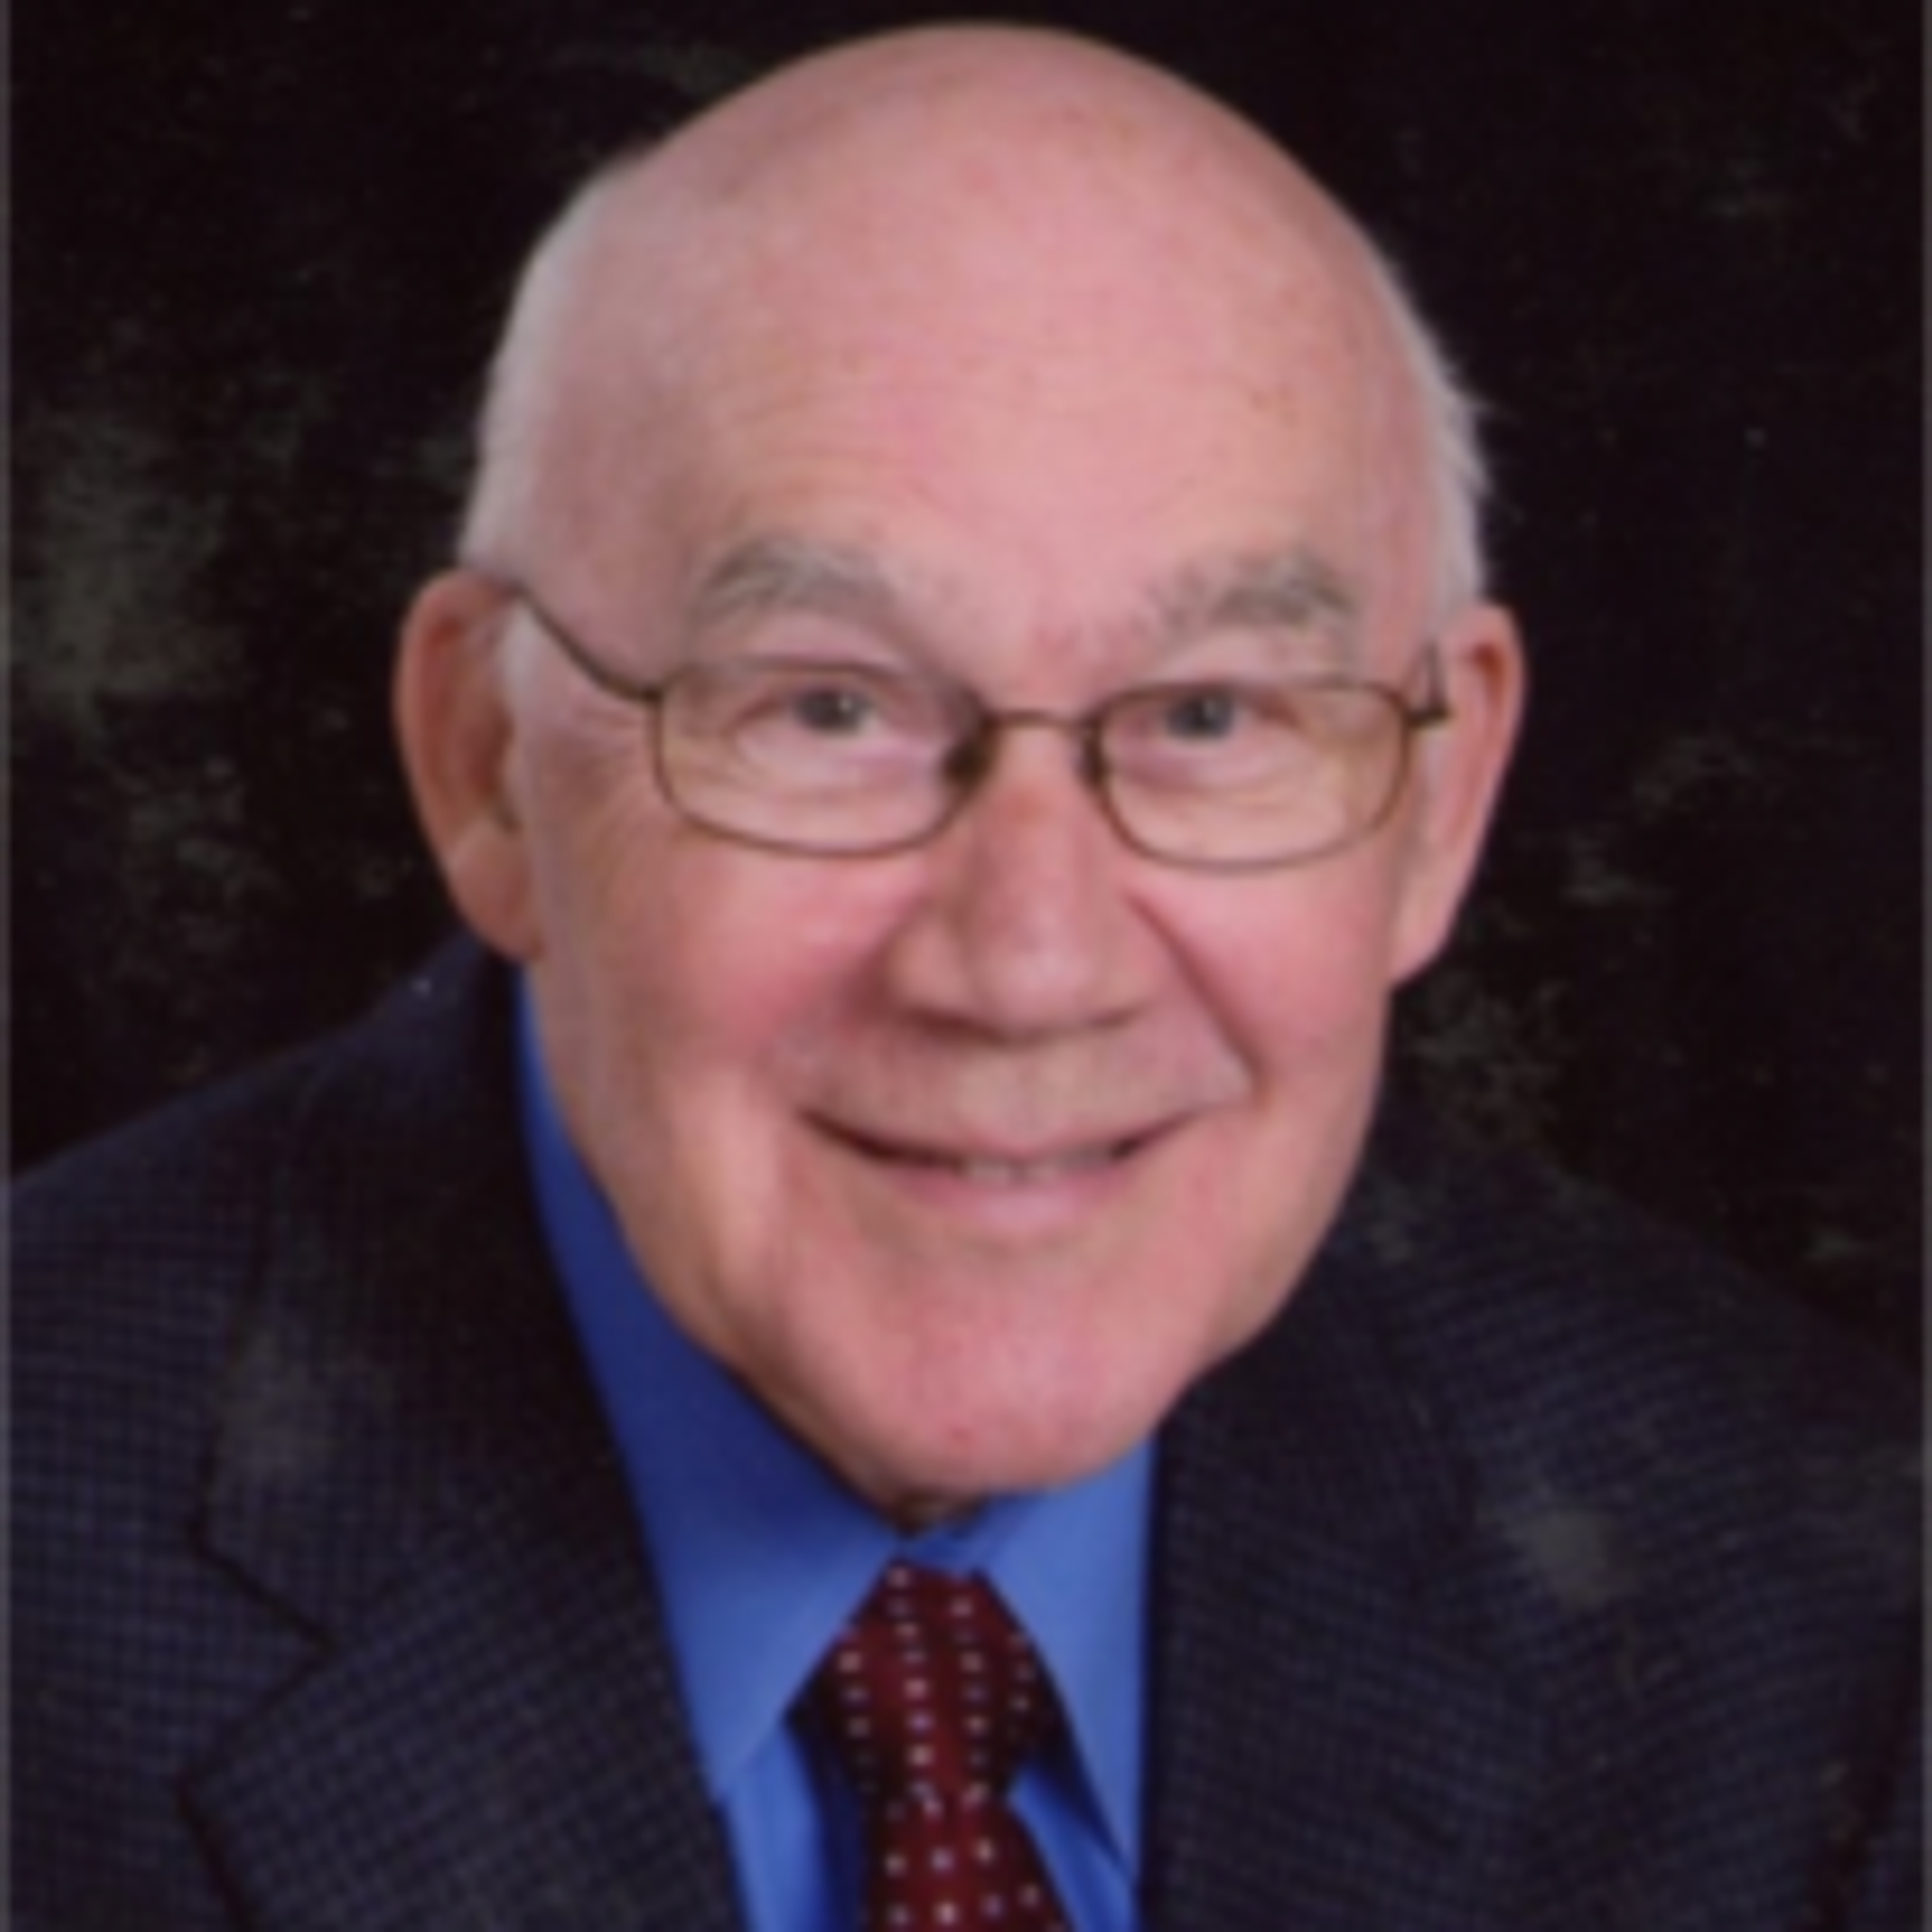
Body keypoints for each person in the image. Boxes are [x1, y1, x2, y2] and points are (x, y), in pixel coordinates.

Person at [3, 24, 1925, 1931]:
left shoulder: (1807, 1586)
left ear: (1438, 801)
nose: (1028, 966)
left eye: (1209, 714)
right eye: (829, 708)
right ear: (489, 763)